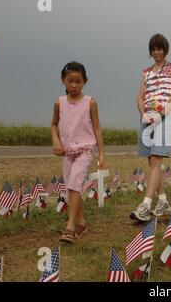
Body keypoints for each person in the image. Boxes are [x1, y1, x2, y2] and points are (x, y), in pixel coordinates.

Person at [51, 62, 105, 243]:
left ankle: (70, 227)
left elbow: (97, 128)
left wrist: (102, 153)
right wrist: (56, 140)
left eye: (78, 82)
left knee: (74, 184)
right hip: (67, 152)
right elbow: (53, 125)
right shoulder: (59, 102)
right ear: (63, 81)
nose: (74, 85)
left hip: (85, 150)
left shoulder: (90, 102)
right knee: (71, 189)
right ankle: (81, 222)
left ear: (85, 81)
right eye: (70, 81)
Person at [131, 34, 171, 221]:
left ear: (165, 50)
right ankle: (162, 200)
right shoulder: (146, 71)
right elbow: (140, 95)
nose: (156, 52)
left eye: (159, 48)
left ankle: (145, 205)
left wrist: (162, 114)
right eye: (153, 49)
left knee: (157, 158)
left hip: (165, 116)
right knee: (152, 161)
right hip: (147, 117)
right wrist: (143, 113)